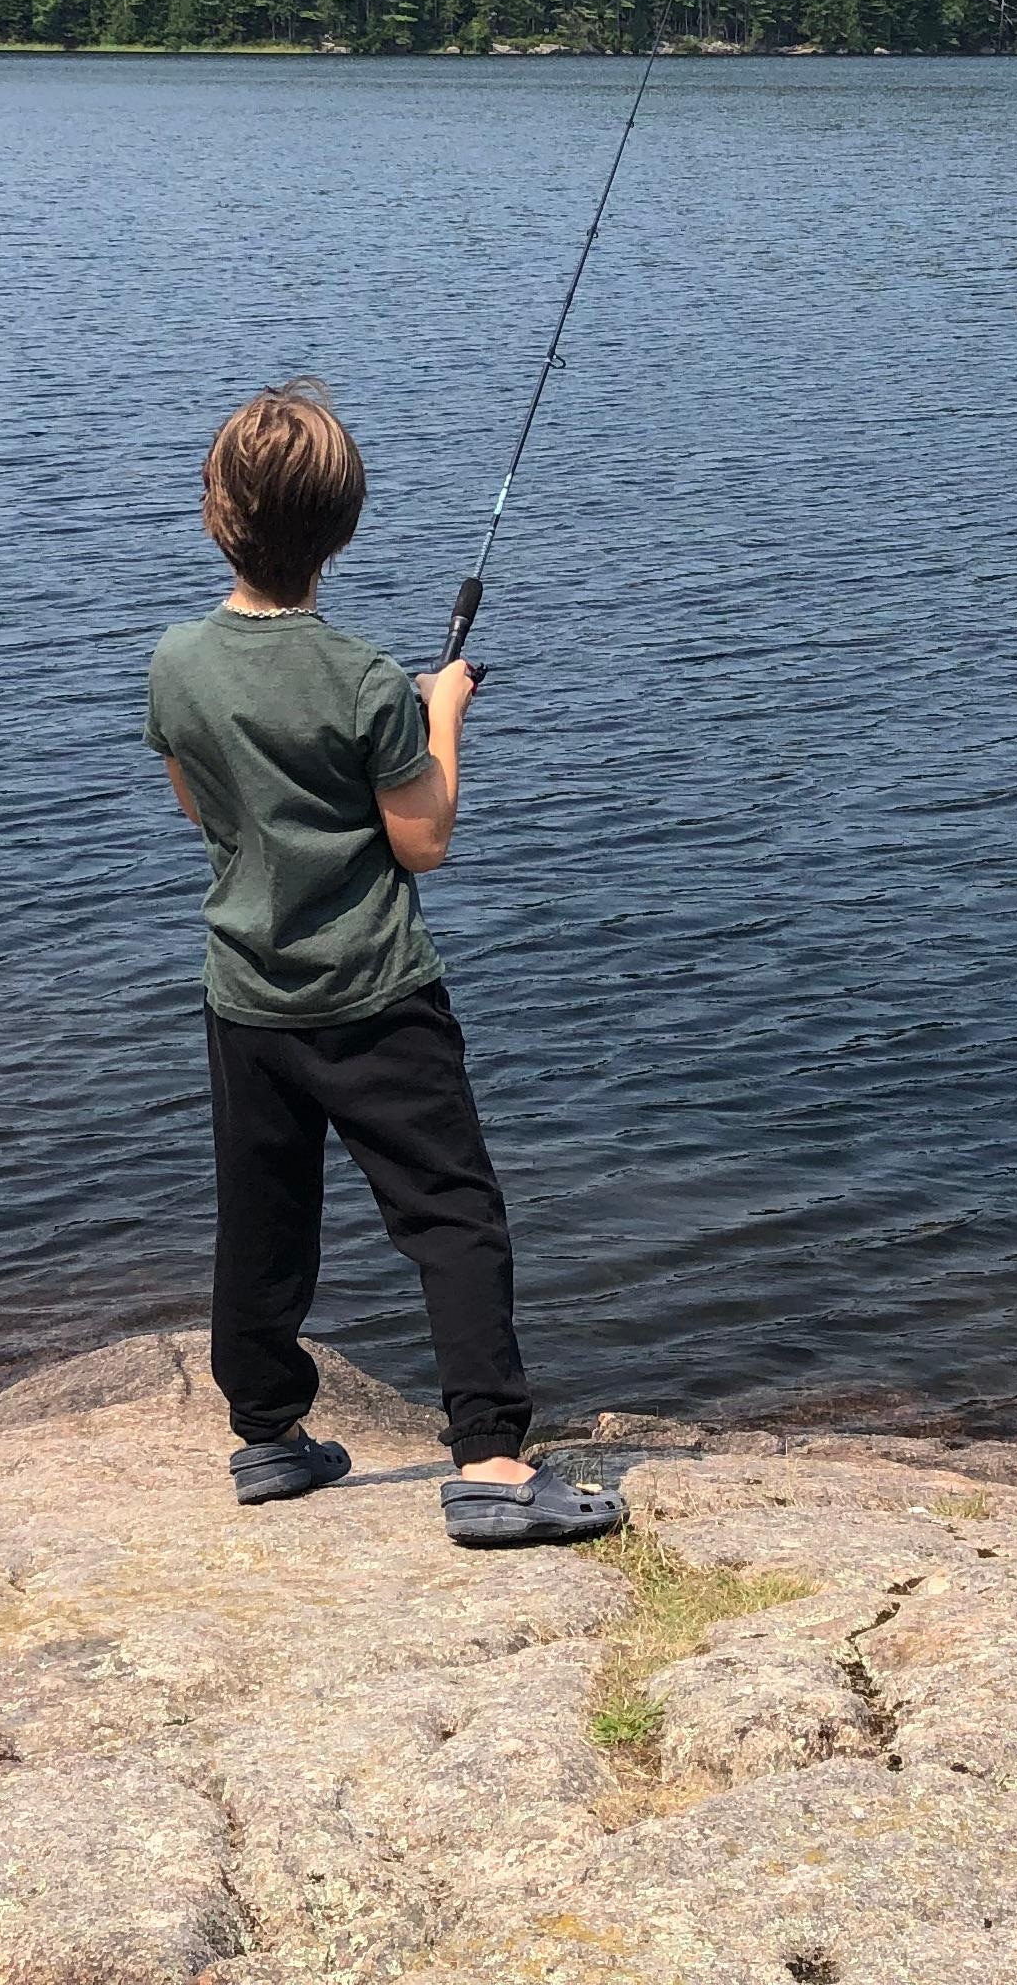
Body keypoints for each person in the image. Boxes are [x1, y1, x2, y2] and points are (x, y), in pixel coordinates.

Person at [143, 379, 624, 1549]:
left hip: (245, 998)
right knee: (450, 1213)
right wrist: (441, 709)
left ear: (215, 512)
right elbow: (425, 839)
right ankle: (495, 1465)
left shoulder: (177, 663)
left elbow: (199, 807)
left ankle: (266, 1437)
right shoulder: (366, 681)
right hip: (375, 999)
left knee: (261, 1220)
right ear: (344, 530)